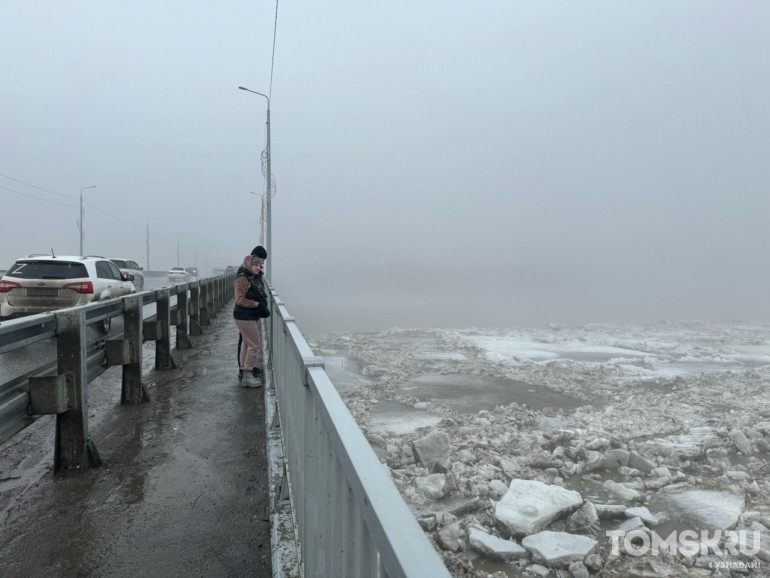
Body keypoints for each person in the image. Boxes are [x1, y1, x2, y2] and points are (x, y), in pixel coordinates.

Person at [233, 250, 269, 387]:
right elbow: (239, 300)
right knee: (255, 345)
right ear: (250, 263)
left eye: (260, 266)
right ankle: (247, 375)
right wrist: (256, 304)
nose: (259, 268)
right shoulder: (243, 278)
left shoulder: (251, 276)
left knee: (247, 344)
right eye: (257, 265)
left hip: (247, 316)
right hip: (244, 316)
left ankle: (244, 370)